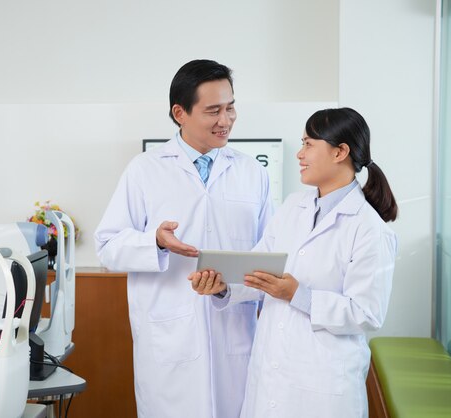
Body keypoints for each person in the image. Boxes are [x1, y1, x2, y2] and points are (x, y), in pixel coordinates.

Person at [190, 107, 398, 417]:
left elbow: (366, 313)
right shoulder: (293, 207)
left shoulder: (368, 228)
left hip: (324, 383)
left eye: (309, 144)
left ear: (340, 151)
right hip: (273, 372)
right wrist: (223, 287)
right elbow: (260, 270)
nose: (299, 154)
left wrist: (297, 295)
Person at [94, 59, 273, 418]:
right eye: (213, 111)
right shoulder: (145, 170)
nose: (226, 120)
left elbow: (267, 255)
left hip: (234, 334)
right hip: (170, 339)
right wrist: (155, 243)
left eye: (231, 107)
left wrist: (229, 287)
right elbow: (107, 246)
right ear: (180, 113)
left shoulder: (252, 173)